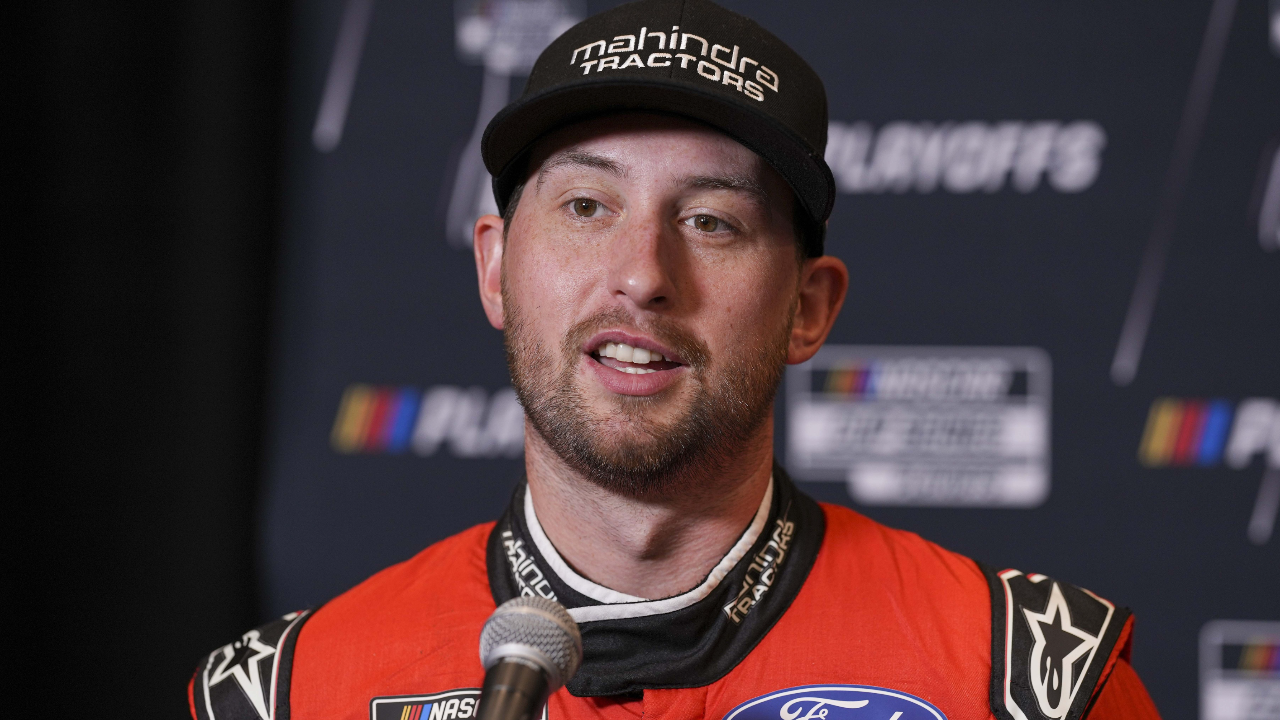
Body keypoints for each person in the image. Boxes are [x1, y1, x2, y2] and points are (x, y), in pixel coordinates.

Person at [189, 1, 1162, 719]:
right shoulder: (286, 694)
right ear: (493, 268)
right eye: (585, 207)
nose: (642, 275)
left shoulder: (1024, 682)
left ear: (807, 309)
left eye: (709, 220)